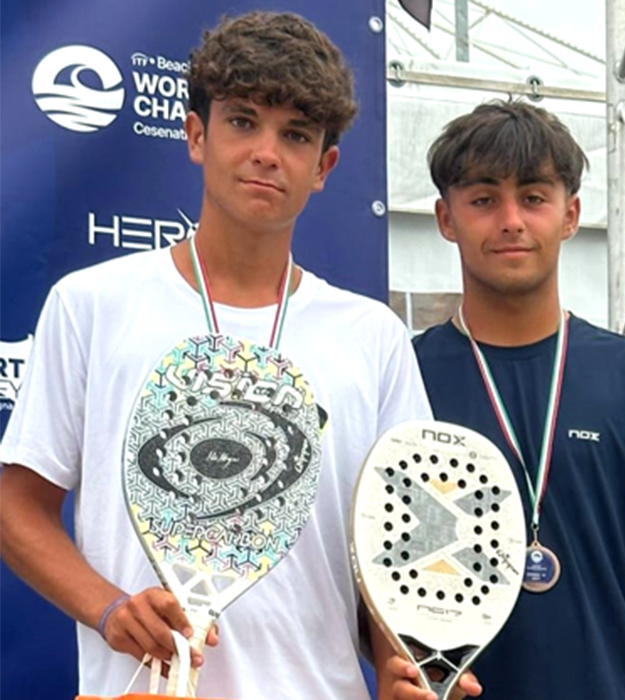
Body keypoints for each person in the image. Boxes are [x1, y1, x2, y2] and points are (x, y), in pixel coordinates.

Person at [0, 11, 431, 700]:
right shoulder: (93, 304)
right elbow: (15, 508)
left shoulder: (372, 337)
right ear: (196, 134)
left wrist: (398, 670)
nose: (266, 151)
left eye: (295, 135)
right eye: (242, 121)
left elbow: (387, 553)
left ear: (324, 168)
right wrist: (109, 609)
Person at [385, 100, 625, 700]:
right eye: (483, 199)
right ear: (445, 218)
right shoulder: (403, 376)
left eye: (533, 197)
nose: (510, 220)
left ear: (570, 214)